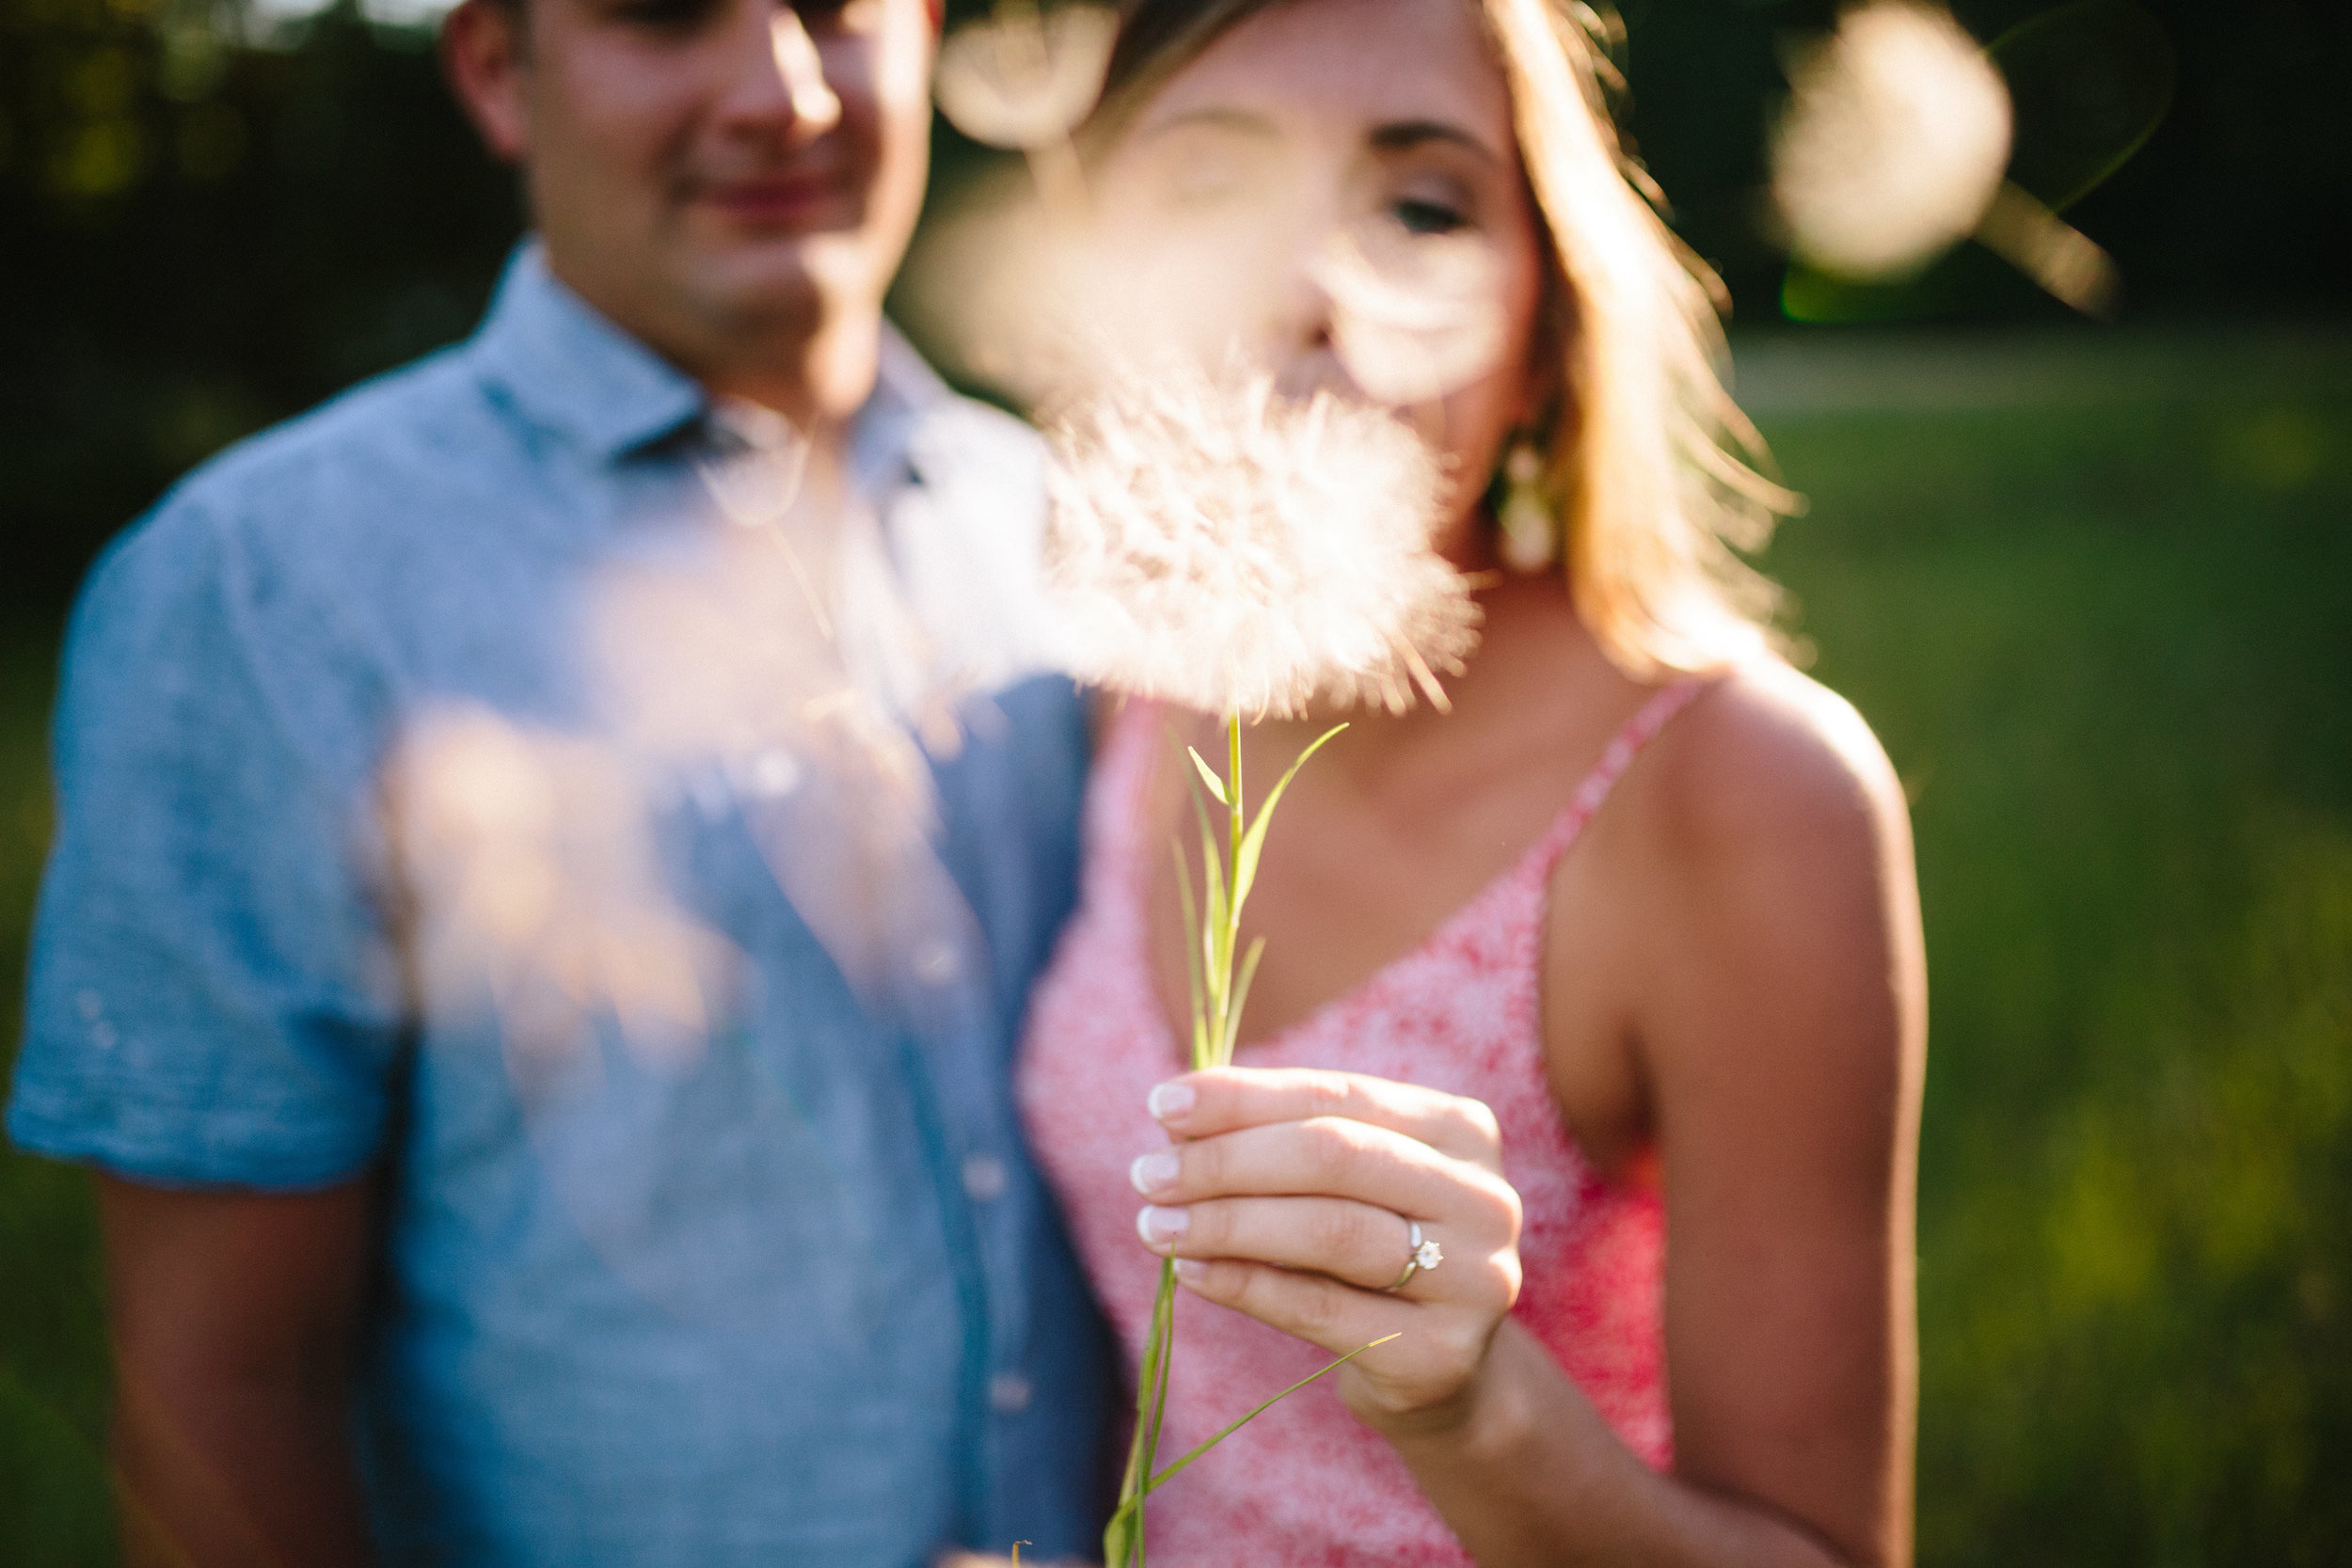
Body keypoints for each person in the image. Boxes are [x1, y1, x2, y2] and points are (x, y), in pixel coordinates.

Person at [5, 0, 1113, 1561]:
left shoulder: (1069, 534)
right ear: (491, 69)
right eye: (666, 17)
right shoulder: (263, 587)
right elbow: (224, 1384)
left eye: (835, 14)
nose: (781, 94)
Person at [1016, 0, 1927, 1564]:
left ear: (1546, 339)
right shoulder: (1124, 694)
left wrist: (1472, 1410)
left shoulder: (1734, 795)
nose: (1311, 286)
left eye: (1419, 205)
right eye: (1210, 190)